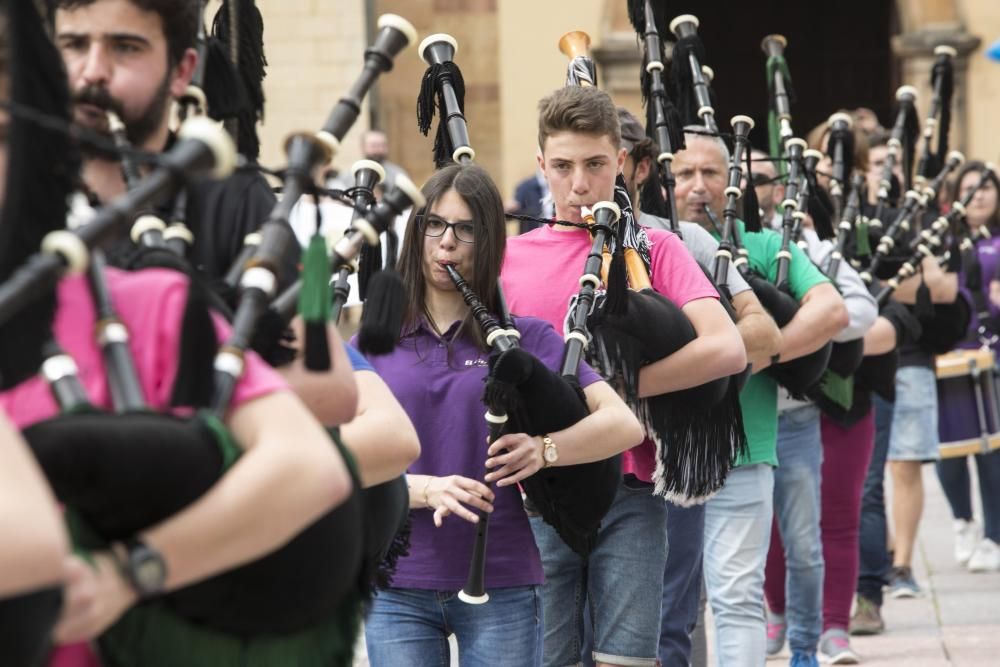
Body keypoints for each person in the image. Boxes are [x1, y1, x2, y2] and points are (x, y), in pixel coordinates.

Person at [501, 85, 747, 667]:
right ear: (541, 166)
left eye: (595, 165)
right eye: (562, 166)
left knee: (630, 660)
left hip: (631, 488)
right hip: (535, 493)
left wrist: (611, 390)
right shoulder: (507, 259)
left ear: (624, 164)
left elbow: (727, 347)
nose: (579, 184)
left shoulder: (654, 247)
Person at [362, 163, 643, 667]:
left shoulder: (527, 339)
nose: (446, 242)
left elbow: (622, 425)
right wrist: (424, 489)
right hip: (396, 582)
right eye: (433, 224)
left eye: (465, 229)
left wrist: (545, 450)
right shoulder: (375, 341)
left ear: (488, 240)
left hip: (504, 578)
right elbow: (336, 459)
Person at [672, 124, 847, 667]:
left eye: (710, 173)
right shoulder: (652, 242)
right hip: (660, 455)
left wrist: (759, 356)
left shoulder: (766, 247)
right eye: (684, 173)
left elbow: (831, 310)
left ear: (732, 182)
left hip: (746, 449)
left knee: (737, 596)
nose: (697, 185)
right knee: (674, 603)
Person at [614, 107, 782, 667]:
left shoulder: (681, 241)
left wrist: (686, 374)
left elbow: (759, 331)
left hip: (673, 454)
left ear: (640, 167)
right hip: (585, 462)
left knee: (670, 619)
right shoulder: (541, 243)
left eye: (607, 160)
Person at [54, 0, 298, 287]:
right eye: (74, 45)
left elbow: (307, 332)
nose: (93, 71)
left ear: (181, 71)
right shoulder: (15, 182)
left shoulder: (236, 200)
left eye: (125, 47)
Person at [759, 142, 880, 665]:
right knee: (758, 539)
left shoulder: (809, 242)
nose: (758, 188)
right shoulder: (710, 240)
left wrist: (789, 331)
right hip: (739, 414)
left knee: (809, 538)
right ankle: (776, 617)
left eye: (766, 178)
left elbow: (859, 311)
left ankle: (819, 637)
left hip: (799, 412)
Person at [936, 161, 1000, 573]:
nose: (979, 194)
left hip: (993, 352)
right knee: (949, 448)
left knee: (992, 449)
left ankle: (994, 535)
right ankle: (963, 520)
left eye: (987, 187)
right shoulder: (941, 238)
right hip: (948, 355)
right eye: (970, 187)